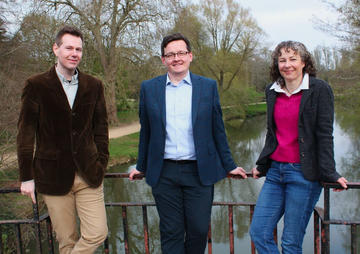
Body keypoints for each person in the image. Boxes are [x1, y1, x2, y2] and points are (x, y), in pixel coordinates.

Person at [129, 33, 247, 254]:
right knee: (171, 231)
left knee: (199, 229)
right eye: (170, 54)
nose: (176, 58)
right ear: (163, 59)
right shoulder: (149, 88)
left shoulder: (207, 87)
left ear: (190, 56)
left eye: (181, 53)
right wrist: (141, 166)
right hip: (164, 172)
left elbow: (217, 130)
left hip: (198, 171)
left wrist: (229, 164)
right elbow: (146, 132)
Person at [249, 41, 348, 253]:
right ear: (277, 64)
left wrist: (330, 172)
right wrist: (262, 165)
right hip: (275, 173)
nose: (287, 64)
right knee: (259, 232)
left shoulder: (319, 89)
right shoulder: (272, 90)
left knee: (290, 243)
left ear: (304, 62)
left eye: (293, 59)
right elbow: (272, 133)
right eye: (282, 60)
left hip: (303, 175)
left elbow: (324, 135)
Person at [17, 26, 109, 254]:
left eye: (79, 49)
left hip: (89, 173)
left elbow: (101, 129)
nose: (74, 53)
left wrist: (102, 163)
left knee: (98, 232)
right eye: (69, 47)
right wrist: (26, 177)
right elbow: (25, 132)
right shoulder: (36, 85)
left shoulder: (94, 85)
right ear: (56, 49)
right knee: (66, 242)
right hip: (52, 176)